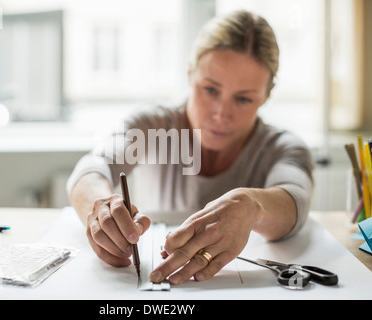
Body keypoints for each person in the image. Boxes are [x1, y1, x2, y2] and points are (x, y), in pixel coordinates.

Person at [67, 10, 313, 285]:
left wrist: (253, 205)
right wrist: (100, 207)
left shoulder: (283, 147)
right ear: (190, 74)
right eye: (210, 90)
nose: (221, 113)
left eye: (243, 99)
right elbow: (93, 167)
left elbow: (296, 200)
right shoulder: (152, 125)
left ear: (266, 95)